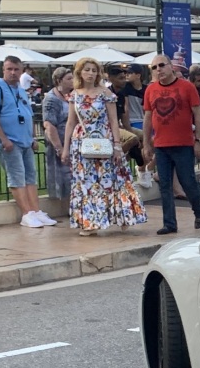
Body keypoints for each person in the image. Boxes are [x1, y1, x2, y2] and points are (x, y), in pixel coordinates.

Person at [62, 57, 146, 236]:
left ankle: (123, 216)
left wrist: (117, 145)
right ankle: (90, 222)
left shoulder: (106, 94)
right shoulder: (75, 95)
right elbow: (70, 122)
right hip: (81, 142)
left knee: (111, 180)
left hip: (103, 138)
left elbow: (114, 121)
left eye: (94, 70)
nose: (90, 74)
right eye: (87, 70)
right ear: (80, 72)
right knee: (86, 183)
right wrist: (65, 147)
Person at [0, 54, 54, 228]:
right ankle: (26, 213)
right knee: (17, 177)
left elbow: (28, 115)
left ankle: (35, 210)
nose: (13, 73)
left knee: (30, 177)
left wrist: (31, 138)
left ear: (22, 71)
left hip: (24, 141)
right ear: (4, 70)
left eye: (16, 69)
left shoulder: (21, 90)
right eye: (9, 69)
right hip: (9, 142)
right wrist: (3, 138)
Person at [143, 54, 200, 235]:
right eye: (154, 68)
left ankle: (199, 209)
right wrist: (146, 143)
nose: (158, 70)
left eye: (161, 65)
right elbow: (147, 117)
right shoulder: (151, 90)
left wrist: (199, 140)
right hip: (161, 145)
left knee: (187, 181)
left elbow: (198, 113)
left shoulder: (187, 87)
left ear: (171, 66)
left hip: (183, 143)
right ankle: (169, 223)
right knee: (164, 185)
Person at [42, 66, 74, 208]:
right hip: (59, 142)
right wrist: (59, 148)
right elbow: (49, 125)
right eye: (69, 78)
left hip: (72, 141)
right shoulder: (51, 99)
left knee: (73, 175)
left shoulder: (71, 96)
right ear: (59, 81)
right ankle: (69, 207)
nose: (73, 81)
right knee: (64, 176)